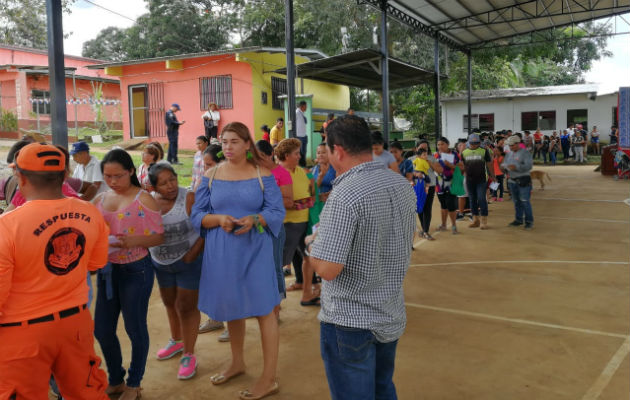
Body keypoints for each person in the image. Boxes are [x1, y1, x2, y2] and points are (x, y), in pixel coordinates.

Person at [305, 115, 416, 400]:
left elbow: (328, 269)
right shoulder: (401, 185)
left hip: (349, 322)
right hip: (389, 311)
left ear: (338, 150)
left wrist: (312, 246)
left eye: (327, 149)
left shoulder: (344, 195)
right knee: (382, 388)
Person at [0, 143, 110, 399]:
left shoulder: (7, 225)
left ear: (21, 177)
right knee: (87, 393)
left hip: (22, 333)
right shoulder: (90, 213)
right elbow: (95, 264)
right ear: (64, 175)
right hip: (75, 323)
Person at [191, 122, 285, 400]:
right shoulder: (210, 174)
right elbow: (197, 215)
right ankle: (237, 362)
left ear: (247, 144)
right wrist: (218, 219)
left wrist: (257, 218)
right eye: (224, 141)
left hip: (255, 248)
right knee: (232, 306)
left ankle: (268, 378)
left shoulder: (262, 174)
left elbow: (276, 210)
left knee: (264, 310)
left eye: (234, 141)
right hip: (221, 250)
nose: (228, 147)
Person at [94, 149, 165, 400]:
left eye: (118, 176)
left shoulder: (143, 199)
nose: (113, 181)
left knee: (135, 328)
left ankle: (134, 383)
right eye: (108, 176)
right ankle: (115, 378)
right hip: (107, 271)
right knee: (102, 328)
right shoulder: (100, 199)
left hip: (137, 269)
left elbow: (159, 236)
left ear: (131, 172)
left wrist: (134, 240)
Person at [148, 163, 203, 380]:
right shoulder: (148, 202)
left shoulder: (188, 198)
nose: (170, 185)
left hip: (188, 262)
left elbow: (205, 228)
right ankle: (177, 340)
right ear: (153, 186)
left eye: (172, 179)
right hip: (161, 263)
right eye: (163, 183)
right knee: (170, 303)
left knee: (186, 307)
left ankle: (189, 354)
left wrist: (193, 254)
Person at [276, 138, 319, 304]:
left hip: (304, 222)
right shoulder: (278, 174)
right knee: (277, 263)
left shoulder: (301, 171)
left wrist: (314, 196)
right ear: (286, 155)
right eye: (296, 153)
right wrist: (304, 203)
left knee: (308, 257)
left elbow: (311, 193)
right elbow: (280, 202)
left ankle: (307, 293)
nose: (299, 156)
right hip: (287, 224)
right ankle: (272, 305)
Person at [461, 133, 495, 229]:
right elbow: (462, 166)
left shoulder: (484, 151)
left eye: (476, 143)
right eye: (472, 143)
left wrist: (493, 176)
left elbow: (489, 164)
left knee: (481, 198)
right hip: (469, 180)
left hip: (481, 179)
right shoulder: (464, 153)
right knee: (472, 200)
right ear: (469, 143)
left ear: (479, 143)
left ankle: (484, 220)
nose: (474, 145)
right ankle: (475, 220)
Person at [502, 135, 534, 230]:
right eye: (510, 145)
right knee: (516, 202)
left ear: (517, 144)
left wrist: (517, 167)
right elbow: (505, 163)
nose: (511, 147)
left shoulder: (525, 153)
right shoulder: (509, 154)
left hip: (523, 180)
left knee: (525, 201)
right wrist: (503, 167)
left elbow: (529, 166)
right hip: (512, 181)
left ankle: (529, 221)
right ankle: (519, 219)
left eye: (512, 145)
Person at [413, 141, 442, 240]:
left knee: (427, 208)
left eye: (426, 148)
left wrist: (429, 162)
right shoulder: (412, 159)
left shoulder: (432, 158)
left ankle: (426, 231)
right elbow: (408, 172)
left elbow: (439, 170)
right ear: (416, 148)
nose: (424, 150)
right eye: (422, 148)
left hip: (430, 186)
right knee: (420, 206)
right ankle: (423, 228)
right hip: (417, 187)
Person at [435, 137, 463, 235]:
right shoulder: (435, 155)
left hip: (452, 184)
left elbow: (462, 167)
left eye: (442, 144)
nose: (440, 146)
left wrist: (451, 165)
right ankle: (443, 225)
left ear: (447, 144)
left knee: (451, 205)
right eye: (438, 144)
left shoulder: (454, 155)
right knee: (443, 205)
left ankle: (454, 226)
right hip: (439, 185)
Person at [296, 101, 308, 166]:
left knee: (304, 153)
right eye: (306, 106)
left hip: (303, 136)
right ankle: (302, 166)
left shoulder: (302, 113)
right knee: (301, 153)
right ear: (302, 106)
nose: (306, 108)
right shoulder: (297, 113)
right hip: (299, 136)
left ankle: (303, 165)